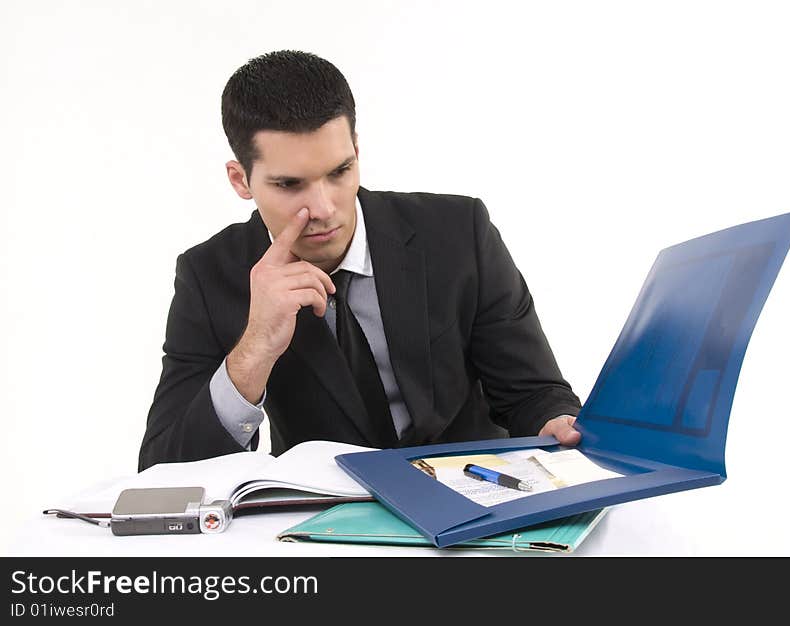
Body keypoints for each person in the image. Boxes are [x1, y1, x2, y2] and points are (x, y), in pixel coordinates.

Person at [138, 50, 582, 471]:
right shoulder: (209, 275)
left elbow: (533, 394)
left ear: (356, 150)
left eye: (338, 172)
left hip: (479, 497)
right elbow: (162, 472)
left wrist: (557, 427)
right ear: (241, 180)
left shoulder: (459, 230)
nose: (325, 208)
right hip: (328, 522)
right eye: (290, 184)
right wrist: (255, 348)